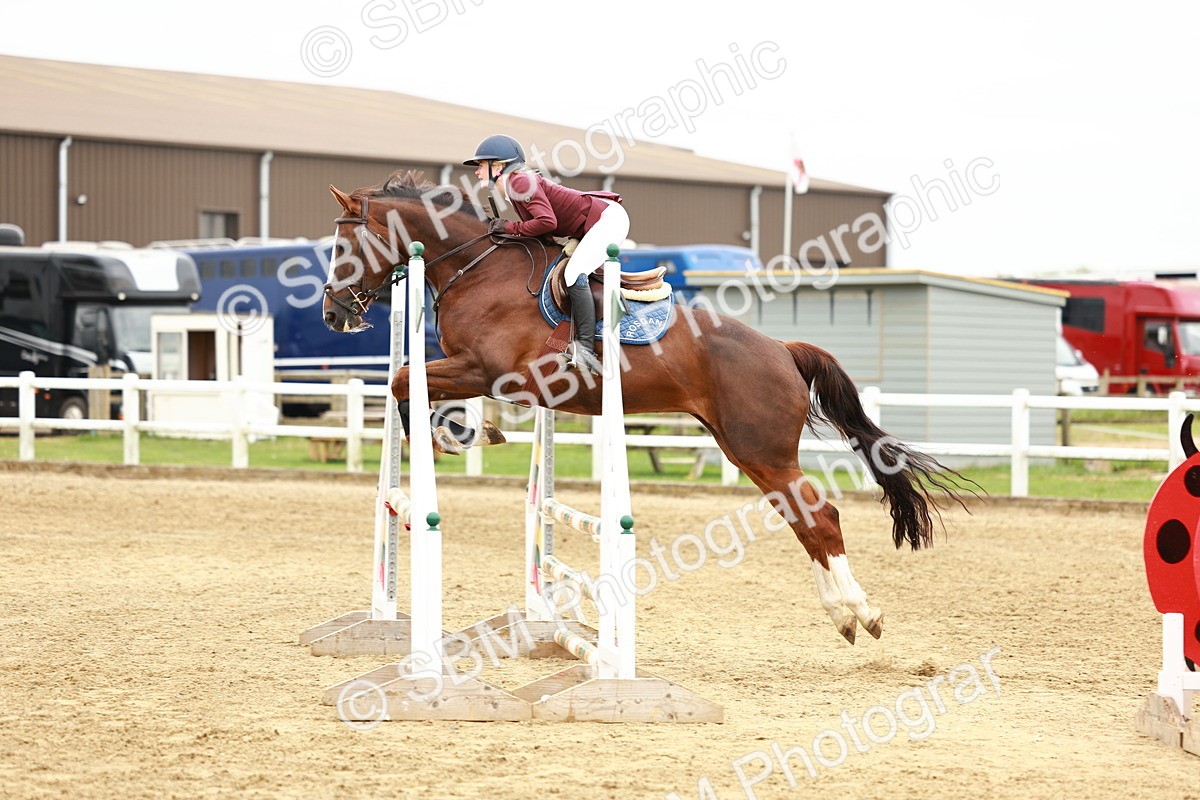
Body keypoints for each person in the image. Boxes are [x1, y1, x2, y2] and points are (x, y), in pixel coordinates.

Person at [464, 134, 628, 376]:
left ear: (499, 166)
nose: (477, 172)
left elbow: (546, 222)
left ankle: (586, 352)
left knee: (573, 274)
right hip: (592, 223)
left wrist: (509, 227)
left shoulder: (519, 182)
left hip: (606, 221)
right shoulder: (515, 185)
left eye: (481, 165)